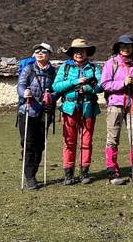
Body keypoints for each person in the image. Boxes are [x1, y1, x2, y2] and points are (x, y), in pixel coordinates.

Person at [52, 38, 102, 185]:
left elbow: (101, 86)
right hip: (69, 108)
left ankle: (84, 172)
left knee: (86, 141)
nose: (79, 53)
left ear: (87, 52)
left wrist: (87, 88)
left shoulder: (94, 68)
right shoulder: (65, 68)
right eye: (76, 51)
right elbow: (56, 86)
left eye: (82, 51)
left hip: (88, 107)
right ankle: (68, 174)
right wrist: (75, 82)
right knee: (69, 141)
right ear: (72, 53)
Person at [100, 34, 133, 185]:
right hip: (115, 105)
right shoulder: (111, 63)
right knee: (113, 138)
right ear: (118, 48)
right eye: (123, 46)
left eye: (128, 46)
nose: (126, 49)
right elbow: (105, 84)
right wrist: (122, 83)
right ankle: (112, 172)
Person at [16, 43, 56, 189]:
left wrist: (51, 96)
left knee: (40, 145)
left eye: (43, 51)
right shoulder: (28, 69)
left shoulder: (53, 72)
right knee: (28, 144)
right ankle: (29, 176)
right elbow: (20, 85)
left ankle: (33, 173)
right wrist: (24, 93)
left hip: (45, 112)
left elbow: (57, 89)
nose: (40, 53)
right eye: (37, 51)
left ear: (49, 54)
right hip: (27, 111)